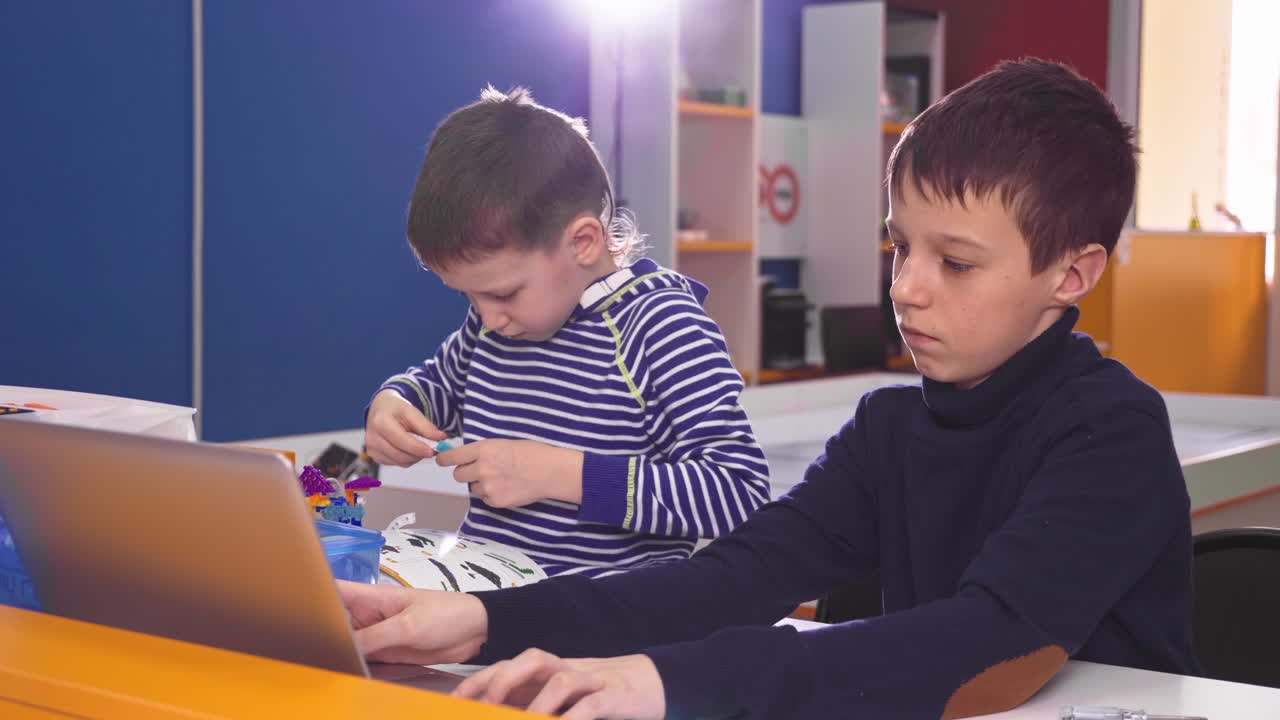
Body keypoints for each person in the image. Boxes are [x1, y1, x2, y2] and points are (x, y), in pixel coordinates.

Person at [340, 59, 1199, 719]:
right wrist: (484, 620)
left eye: (957, 262)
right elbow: (735, 577)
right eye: (901, 247)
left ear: (1072, 273)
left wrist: (668, 679)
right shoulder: (890, 427)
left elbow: (990, 644)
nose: (907, 287)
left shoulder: (1110, 431)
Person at [363, 86, 771, 578]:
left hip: (610, 627)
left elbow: (738, 493)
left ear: (582, 241)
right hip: (493, 611)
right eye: (467, 296)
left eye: (505, 293)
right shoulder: (496, 327)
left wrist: (560, 474)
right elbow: (434, 388)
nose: (487, 318)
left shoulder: (660, 327)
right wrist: (393, 405)